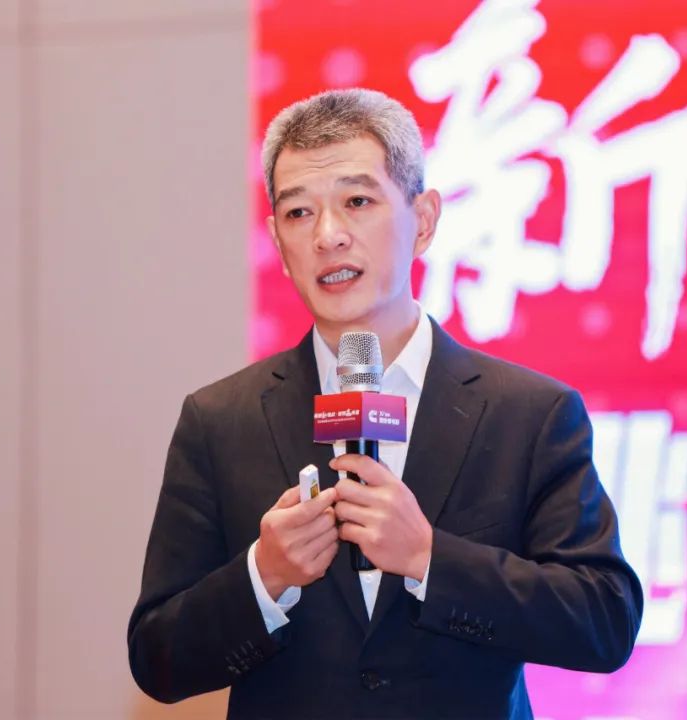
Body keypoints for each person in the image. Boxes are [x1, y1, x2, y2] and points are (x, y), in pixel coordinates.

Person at [127, 88, 642, 719]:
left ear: (423, 220)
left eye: (357, 202)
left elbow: (604, 618)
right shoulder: (221, 421)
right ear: (278, 243)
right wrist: (265, 575)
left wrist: (429, 558)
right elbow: (157, 657)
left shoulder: (528, 414)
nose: (328, 236)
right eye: (298, 212)